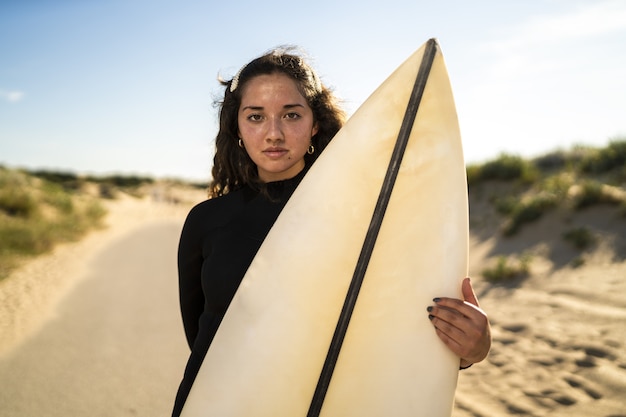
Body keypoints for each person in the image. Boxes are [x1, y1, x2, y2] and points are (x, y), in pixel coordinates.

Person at [172, 47, 491, 416]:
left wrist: (470, 350)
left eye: (291, 114)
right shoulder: (206, 221)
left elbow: (395, 325)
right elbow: (201, 340)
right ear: (237, 128)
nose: (273, 133)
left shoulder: (368, 217)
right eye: (256, 116)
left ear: (315, 123)